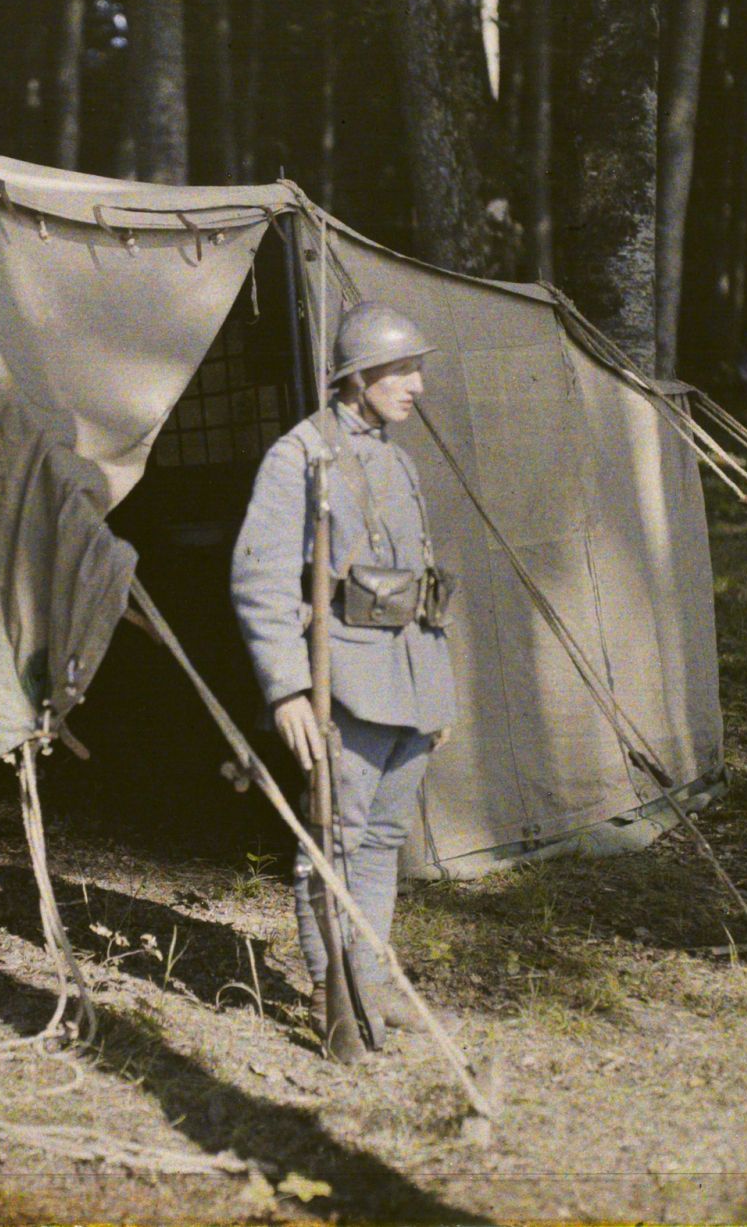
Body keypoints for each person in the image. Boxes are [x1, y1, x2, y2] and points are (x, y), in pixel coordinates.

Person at [229, 300, 457, 1033]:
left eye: (418, 367)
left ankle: (369, 980)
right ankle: (334, 993)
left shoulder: (397, 456)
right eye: (403, 369)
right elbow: (259, 579)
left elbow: (419, 582)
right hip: (346, 682)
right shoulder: (299, 455)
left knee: (384, 838)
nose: (417, 384)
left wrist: (436, 692)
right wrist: (288, 688)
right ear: (358, 377)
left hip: (410, 679)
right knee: (335, 840)